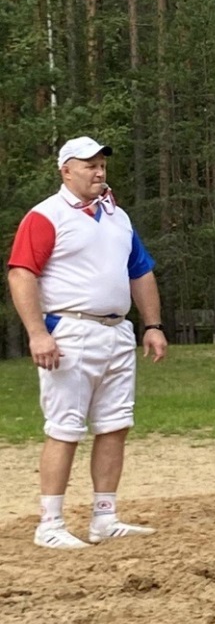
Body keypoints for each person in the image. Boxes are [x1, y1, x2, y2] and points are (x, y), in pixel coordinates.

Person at [6, 136, 168, 549]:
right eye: (89, 165)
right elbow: (22, 273)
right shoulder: (47, 216)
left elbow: (141, 272)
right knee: (65, 428)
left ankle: (104, 516)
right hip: (71, 331)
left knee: (115, 425)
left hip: (116, 332)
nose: (99, 172)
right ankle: (51, 522)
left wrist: (152, 324)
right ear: (66, 170)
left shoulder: (118, 218)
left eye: (102, 166)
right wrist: (38, 332)